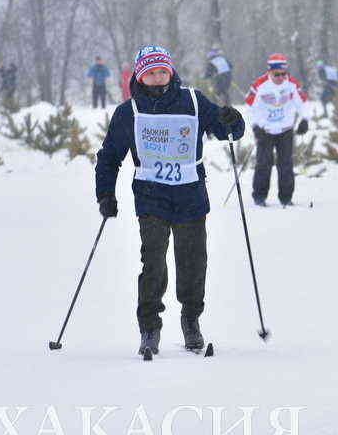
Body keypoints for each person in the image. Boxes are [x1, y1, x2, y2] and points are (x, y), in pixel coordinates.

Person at [95, 45, 245, 357]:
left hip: (191, 195)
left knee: (193, 262)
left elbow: (225, 130)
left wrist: (233, 120)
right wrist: (105, 194)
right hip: (151, 197)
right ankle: (150, 327)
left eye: (162, 70)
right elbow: (109, 158)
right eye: (150, 72)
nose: (157, 76)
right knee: (153, 263)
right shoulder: (129, 112)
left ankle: (191, 320)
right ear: (140, 75)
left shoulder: (192, 100)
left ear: (171, 71)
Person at [244, 53, 309, 207]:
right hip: (265, 130)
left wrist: (305, 119)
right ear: (269, 72)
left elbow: (303, 103)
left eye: (283, 74)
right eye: (276, 74)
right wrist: (255, 126)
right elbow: (249, 107)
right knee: (263, 164)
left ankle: (286, 198)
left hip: (285, 129)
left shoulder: (291, 84)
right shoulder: (259, 85)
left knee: (286, 164)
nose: (280, 77)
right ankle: (259, 197)